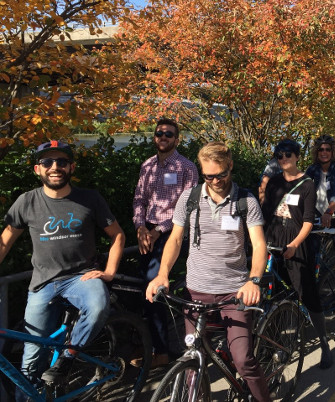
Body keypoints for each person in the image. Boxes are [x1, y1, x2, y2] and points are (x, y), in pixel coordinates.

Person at [145, 142, 270, 401]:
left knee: (243, 359)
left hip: (234, 293)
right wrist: (162, 273)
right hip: (196, 291)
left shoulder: (246, 200)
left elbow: (259, 245)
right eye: (209, 176)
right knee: (193, 358)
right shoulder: (189, 199)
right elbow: (176, 239)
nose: (215, 180)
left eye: (221, 174)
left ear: (230, 166)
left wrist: (253, 280)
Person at [0, 140, 125, 386]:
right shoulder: (26, 201)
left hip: (81, 278)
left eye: (61, 161)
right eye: (47, 162)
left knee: (99, 306)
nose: (54, 166)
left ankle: (68, 358)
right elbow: (4, 242)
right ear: (38, 169)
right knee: (32, 358)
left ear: (71, 167)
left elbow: (118, 234)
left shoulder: (90, 199)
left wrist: (109, 271)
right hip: (42, 284)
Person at [261, 139, 333, 369]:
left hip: (296, 245)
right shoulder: (273, 182)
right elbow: (264, 214)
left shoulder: (307, 184)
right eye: (279, 155)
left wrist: (294, 245)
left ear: (297, 156)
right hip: (273, 242)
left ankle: (324, 344)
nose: (283, 159)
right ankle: (274, 346)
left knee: (307, 294)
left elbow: (308, 221)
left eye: (288, 154)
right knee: (273, 297)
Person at [132, 118, 198, 367]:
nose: (163, 137)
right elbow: (139, 199)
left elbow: (188, 208)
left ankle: (162, 352)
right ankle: (150, 343)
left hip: (172, 234)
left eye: (168, 134)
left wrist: (159, 230)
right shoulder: (147, 165)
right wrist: (140, 228)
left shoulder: (186, 167)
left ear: (176, 139)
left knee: (155, 290)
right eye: (159, 133)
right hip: (146, 233)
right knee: (143, 288)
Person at [305, 135, 335, 295]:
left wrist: (329, 212)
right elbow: (302, 189)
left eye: (327, 149)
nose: (324, 152)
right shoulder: (312, 169)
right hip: (320, 215)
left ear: (333, 152)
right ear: (316, 152)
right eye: (320, 149)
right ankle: (313, 287)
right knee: (311, 250)